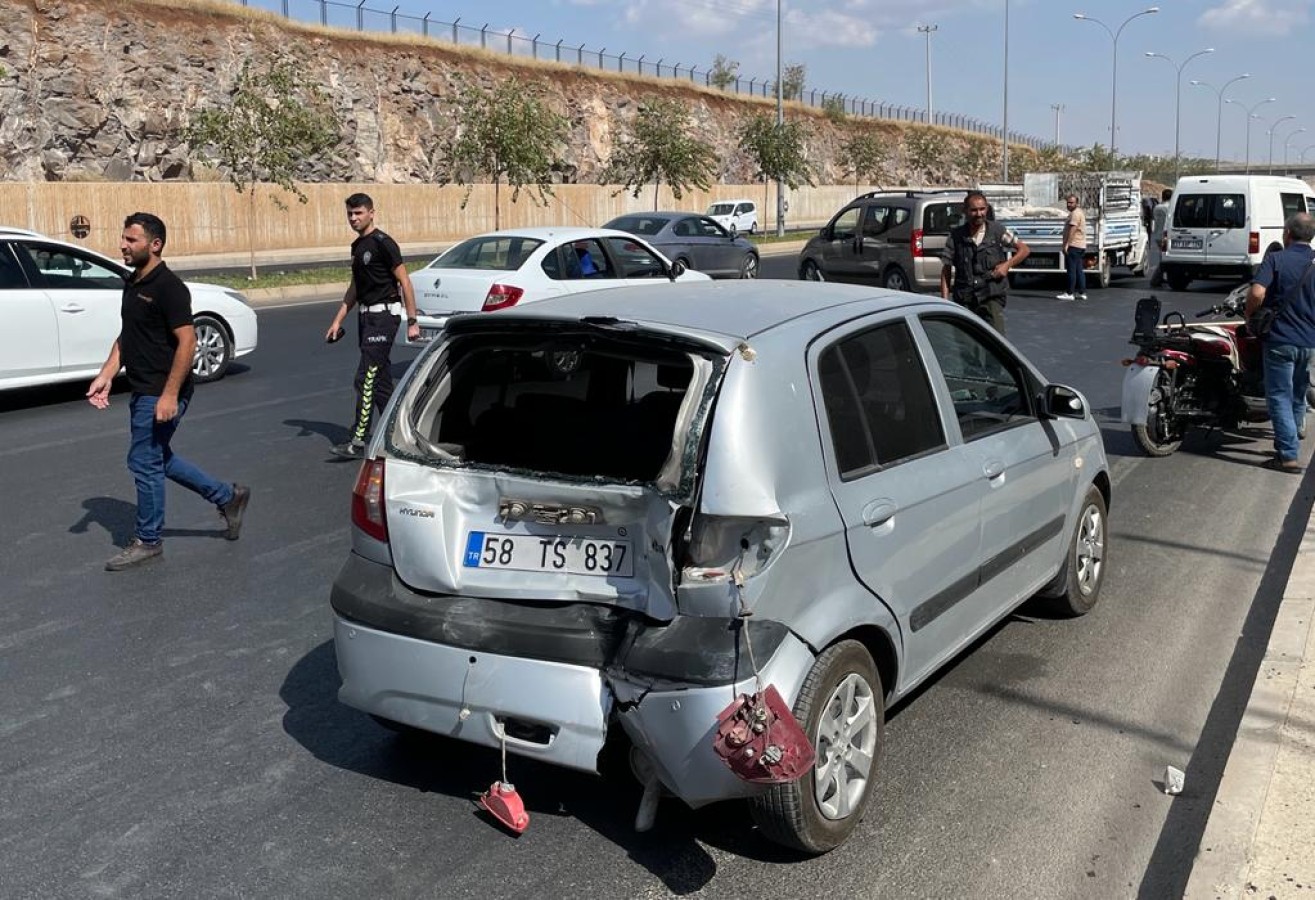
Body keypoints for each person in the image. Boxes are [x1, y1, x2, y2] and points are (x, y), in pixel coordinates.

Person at [87, 212, 250, 571]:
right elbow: (128, 335)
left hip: (161, 390)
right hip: (142, 386)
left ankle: (149, 540)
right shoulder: (134, 282)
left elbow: (188, 342)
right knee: (157, 458)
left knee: (143, 461)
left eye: (132, 240)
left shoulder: (169, 288)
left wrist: (170, 395)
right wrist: (107, 374)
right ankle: (228, 496)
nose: (122, 245)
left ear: (154, 244)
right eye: (123, 238)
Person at [325, 193, 419, 459]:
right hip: (365, 319)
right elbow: (355, 287)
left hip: (384, 317)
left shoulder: (384, 244)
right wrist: (338, 319)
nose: (354, 219)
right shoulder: (357, 247)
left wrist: (412, 321)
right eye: (350, 214)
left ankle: (357, 440)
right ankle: (400, 436)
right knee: (381, 382)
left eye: (358, 213)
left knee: (364, 378)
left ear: (371, 213)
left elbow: (405, 282)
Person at [1245, 212, 1315, 473]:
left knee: (1279, 396)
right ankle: (1292, 438)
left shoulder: (1276, 259)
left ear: (1287, 234)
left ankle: (1287, 455)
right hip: (1309, 342)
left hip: (1280, 341)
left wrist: (1249, 314)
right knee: (1298, 393)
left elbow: (1256, 292)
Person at [939, 190, 1031, 334]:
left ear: (987, 209)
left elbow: (1024, 249)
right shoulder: (956, 236)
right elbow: (946, 269)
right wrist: (944, 301)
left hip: (991, 296)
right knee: (966, 344)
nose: (979, 214)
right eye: (974, 210)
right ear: (965, 211)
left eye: (982, 209)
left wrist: (1007, 265)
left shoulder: (996, 230)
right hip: (965, 300)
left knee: (995, 343)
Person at [1058, 194, 1088, 301]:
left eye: (1071, 203)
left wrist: (1067, 244)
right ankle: (1082, 292)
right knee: (1079, 269)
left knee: (1071, 270)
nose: (1069, 204)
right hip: (1080, 246)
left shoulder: (1075, 214)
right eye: (1068, 202)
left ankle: (1070, 293)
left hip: (1074, 245)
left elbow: (1073, 230)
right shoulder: (1077, 213)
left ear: (1077, 203)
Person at [1149, 188, 1172, 289]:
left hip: (1157, 234)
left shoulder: (1157, 207)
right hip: (1165, 235)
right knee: (1164, 259)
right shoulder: (1169, 208)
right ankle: (1155, 279)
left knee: (1161, 257)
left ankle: (1160, 278)